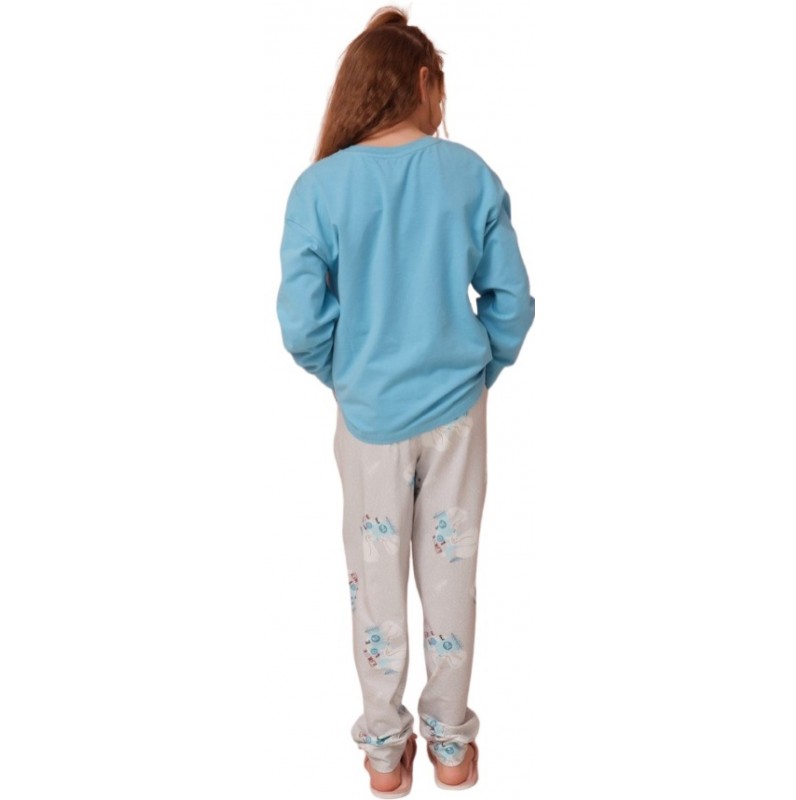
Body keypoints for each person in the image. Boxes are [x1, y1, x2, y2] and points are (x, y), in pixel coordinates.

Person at [276, 6, 535, 796]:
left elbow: (301, 324)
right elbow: (512, 303)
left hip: (370, 423)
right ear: (422, 80)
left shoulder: (319, 188)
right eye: (439, 88)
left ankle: (387, 757)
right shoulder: (469, 174)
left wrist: (348, 373)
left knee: (375, 583)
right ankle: (451, 749)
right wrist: (479, 370)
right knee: (452, 576)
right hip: (457, 414)